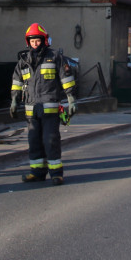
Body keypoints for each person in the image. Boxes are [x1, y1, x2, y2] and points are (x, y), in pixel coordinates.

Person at [10, 23, 77, 185]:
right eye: (32, 41)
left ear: (44, 40)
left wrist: (71, 98)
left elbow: (66, 78)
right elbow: (16, 83)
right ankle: (37, 172)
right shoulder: (23, 61)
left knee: (51, 140)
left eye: (37, 40)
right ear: (28, 42)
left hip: (50, 109)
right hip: (31, 110)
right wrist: (13, 99)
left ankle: (56, 174)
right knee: (34, 142)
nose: (35, 43)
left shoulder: (55, 57)